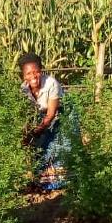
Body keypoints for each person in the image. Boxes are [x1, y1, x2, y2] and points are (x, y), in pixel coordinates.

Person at [19, 53, 71, 191]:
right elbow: (27, 114)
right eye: (28, 73)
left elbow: (51, 114)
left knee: (58, 148)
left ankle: (60, 184)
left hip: (63, 116)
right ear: (23, 76)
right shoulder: (24, 89)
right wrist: (26, 134)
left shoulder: (51, 83)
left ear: (41, 71)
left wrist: (35, 132)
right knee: (39, 151)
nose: (33, 76)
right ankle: (41, 183)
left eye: (36, 72)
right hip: (42, 120)